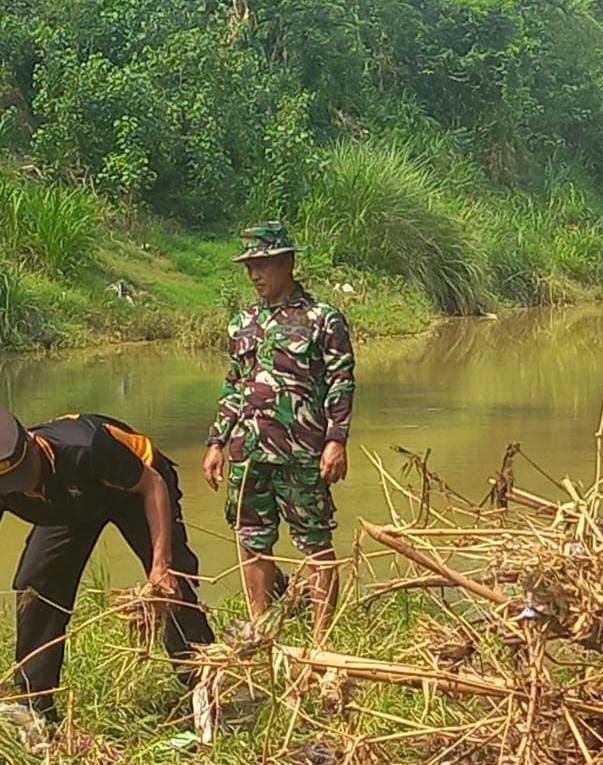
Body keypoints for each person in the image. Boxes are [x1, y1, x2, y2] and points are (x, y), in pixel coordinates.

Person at [0, 410, 215, 721]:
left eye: (25, 474)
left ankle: (202, 685)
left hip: (133, 489)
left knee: (169, 586)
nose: (24, 486)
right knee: (36, 584)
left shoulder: (87, 447)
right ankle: (35, 703)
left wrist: (162, 563)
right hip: (68, 502)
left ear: (33, 444)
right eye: (12, 483)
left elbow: (152, 485)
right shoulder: (7, 485)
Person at [203, 221, 354, 638]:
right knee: (253, 538)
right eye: (250, 266)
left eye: (263, 264)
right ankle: (260, 625)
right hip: (248, 452)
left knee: (315, 541)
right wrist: (217, 442)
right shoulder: (243, 323)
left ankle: (321, 638)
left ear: (287, 262)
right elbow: (234, 384)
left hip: (302, 452)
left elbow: (341, 381)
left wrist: (336, 440)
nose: (255, 274)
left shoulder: (322, 319)